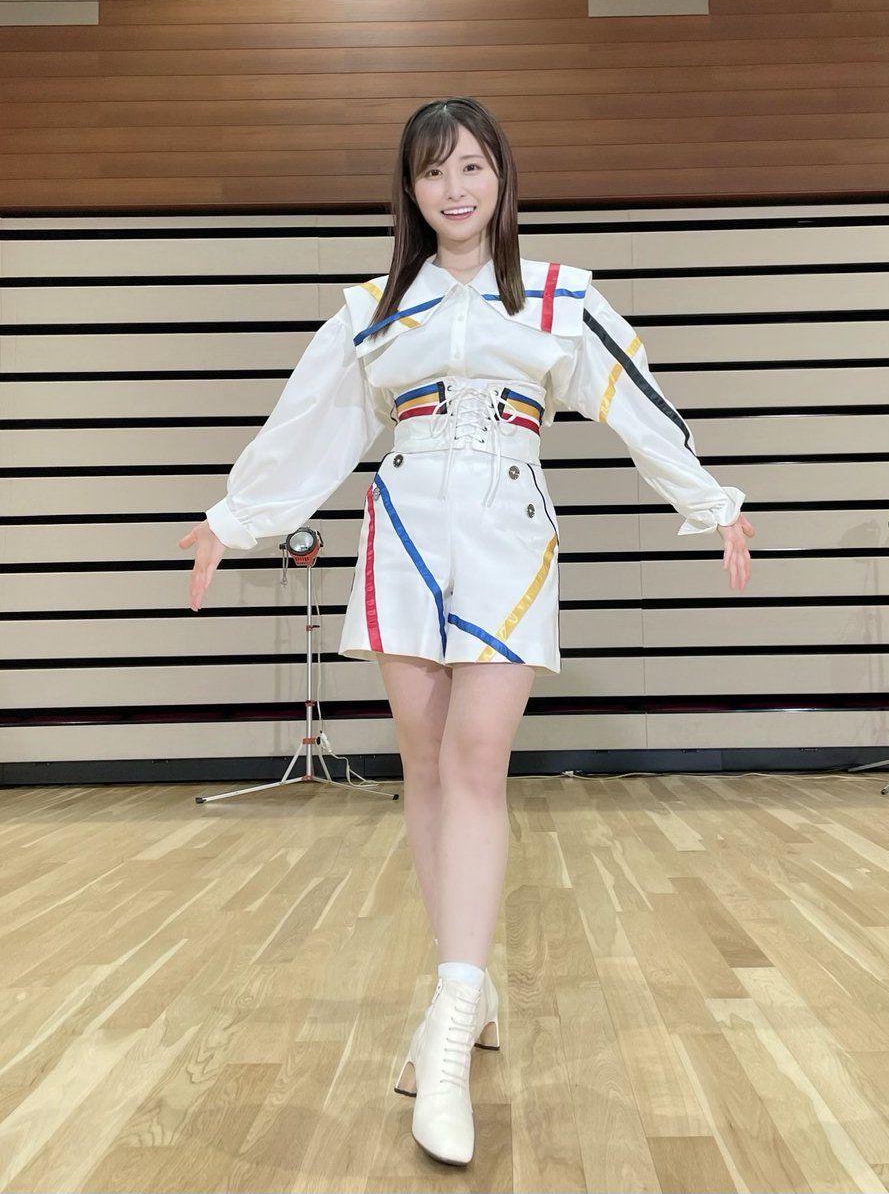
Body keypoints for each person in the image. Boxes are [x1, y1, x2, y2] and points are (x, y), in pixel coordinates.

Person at [179, 96, 754, 1167]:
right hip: (400, 527)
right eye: (432, 171)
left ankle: (445, 1033)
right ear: (408, 189)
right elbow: (308, 424)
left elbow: (635, 400)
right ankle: (466, 982)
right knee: (427, 770)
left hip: (506, 531)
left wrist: (709, 499)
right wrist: (234, 518)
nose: (453, 188)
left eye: (471, 167)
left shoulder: (560, 296)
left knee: (476, 764)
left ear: (501, 177)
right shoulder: (369, 309)